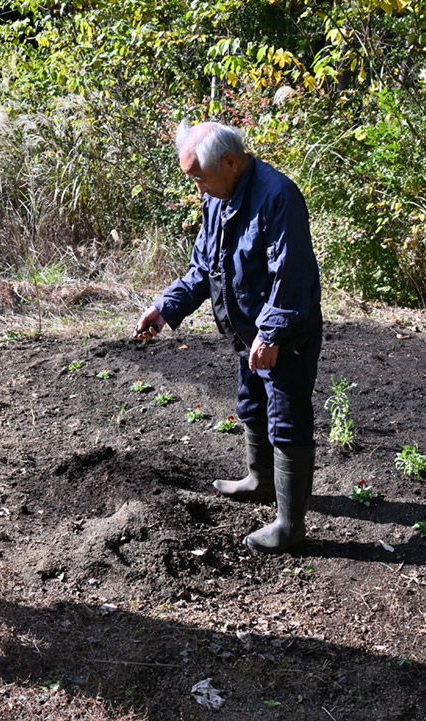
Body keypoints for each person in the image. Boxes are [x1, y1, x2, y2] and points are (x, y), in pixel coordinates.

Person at [135, 120, 322, 554]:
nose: (197, 188)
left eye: (199, 177)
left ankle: (290, 527)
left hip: (285, 333)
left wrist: (272, 332)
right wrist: (165, 307)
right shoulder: (219, 198)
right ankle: (259, 482)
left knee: (288, 421)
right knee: (251, 402)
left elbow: (291, 275)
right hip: (246, 330)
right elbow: (204, 267)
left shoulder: (278, 196)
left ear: (231, 162)